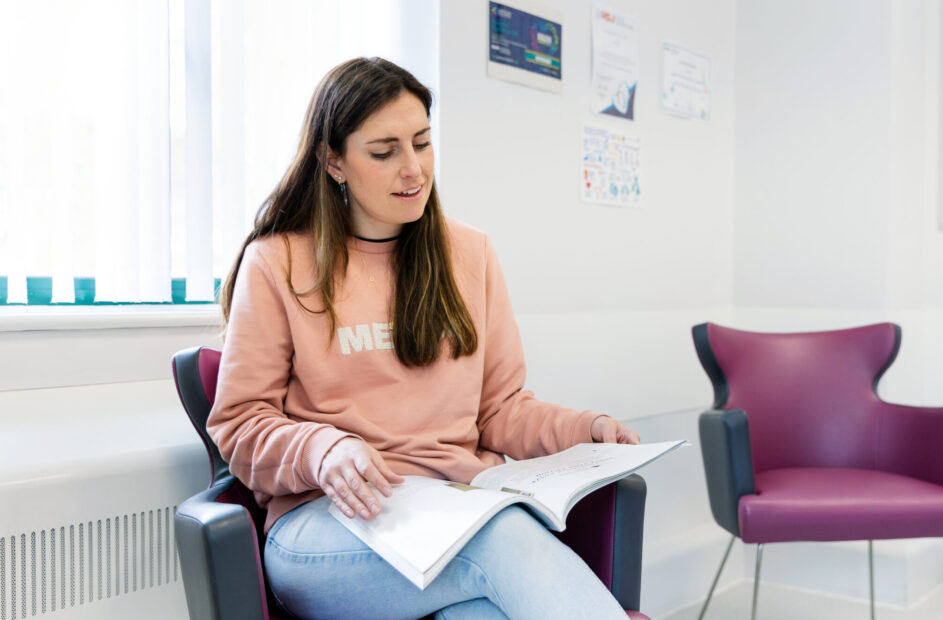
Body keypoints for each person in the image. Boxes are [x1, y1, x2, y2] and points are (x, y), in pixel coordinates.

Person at [208, 57, 639, 620]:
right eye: (384, 152)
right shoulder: (277, 263)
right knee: (503, 534)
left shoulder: (471, 255)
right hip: (328, 528)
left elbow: (500, 411)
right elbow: (239, 425)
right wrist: (322, 448)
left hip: (456, 506)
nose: (413, 169)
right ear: (332, 160)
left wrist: (587, 430)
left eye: (422, 143)